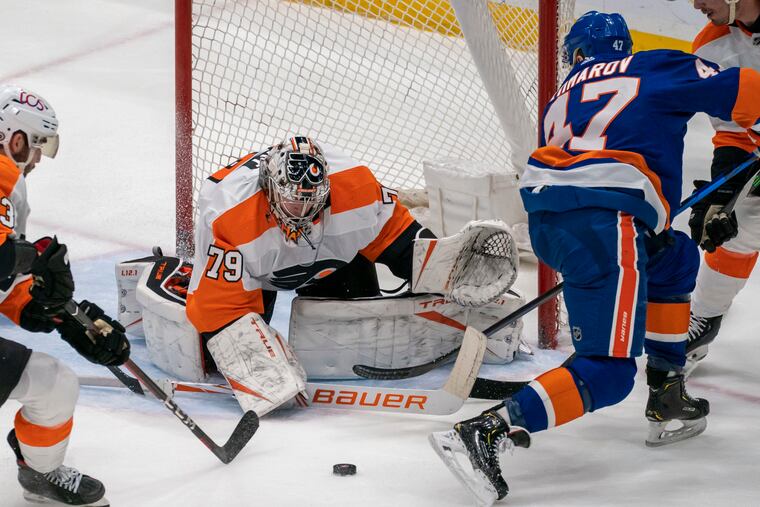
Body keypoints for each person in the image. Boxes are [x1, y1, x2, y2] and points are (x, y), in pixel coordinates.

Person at [428, 11, 760, 505]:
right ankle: (487, 430)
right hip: (607, 223)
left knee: (675, 259)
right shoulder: (653, 66)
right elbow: (747, 91)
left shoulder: (559, 98)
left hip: (554, 222)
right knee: (607, 372)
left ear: (576, 56)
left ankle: (667, 388)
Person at [170, 136, 522, 416]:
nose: (304, 213)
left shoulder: (354, 187)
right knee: (227, 359)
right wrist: (255, 355)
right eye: (294, 203)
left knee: (357, 321)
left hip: (329, 260)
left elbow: (400, 242)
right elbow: (217, 309)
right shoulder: (230, 216)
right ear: (270, 192)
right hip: (258, 276)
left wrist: (447, 267)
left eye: (312, 201)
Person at [0, 85, 130, 507]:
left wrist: (62, 318)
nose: (36, 159)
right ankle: (40, 473)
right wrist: (27, 259)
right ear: (15, 139)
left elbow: (7, 284)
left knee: (54, 384)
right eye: (35, 147)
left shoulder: (10, 188)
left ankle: (40, 474)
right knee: (54, 386)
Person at [687, 0, 760, 370]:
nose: (696, 4)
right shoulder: (710, 46)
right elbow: (735, 133)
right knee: (739, 225)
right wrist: (724, 189)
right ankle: (704, 317)